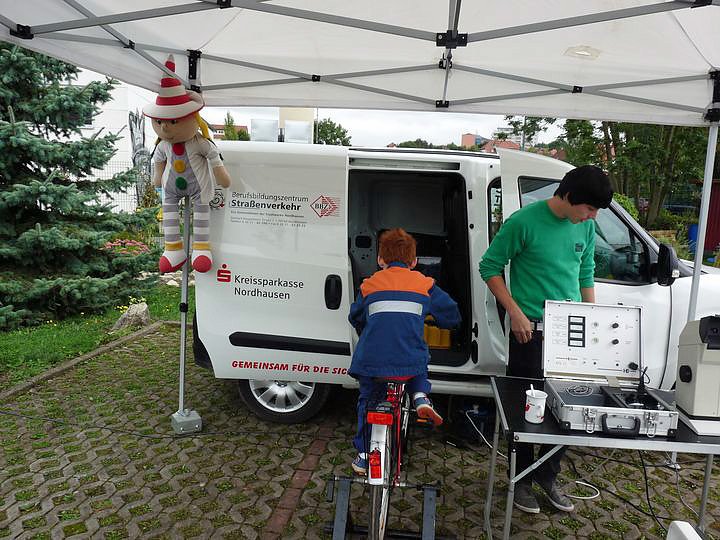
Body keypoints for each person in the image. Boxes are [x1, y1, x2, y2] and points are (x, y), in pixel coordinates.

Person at [479, 165, 613, 513]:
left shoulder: (586, 226)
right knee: (526, 410)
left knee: (572, 408)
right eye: (589, 208)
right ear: (568, 196)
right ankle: (521, 479)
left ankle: (547, 475)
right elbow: (489, 267)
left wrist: (592, 321)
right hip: (529, 331)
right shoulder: (523, 222)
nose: (593, 216)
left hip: (570, 332)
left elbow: (585, 273)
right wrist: (514, 312)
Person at [348, 228, 461, 475]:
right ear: (414, 261)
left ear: (380, 260)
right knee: (417, 361)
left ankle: (364, 454)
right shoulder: (425, 284)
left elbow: (355, 316)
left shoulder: (369, 285)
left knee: (367, 400)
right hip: (407, 362)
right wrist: (444, 323)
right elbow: (451, 315)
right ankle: (420, 396)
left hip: (372, 363)